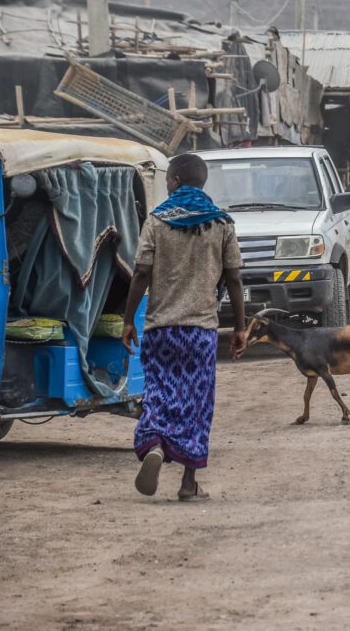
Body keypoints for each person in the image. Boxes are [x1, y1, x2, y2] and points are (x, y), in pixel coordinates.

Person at [122, 153, 246, 501]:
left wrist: (129, 319)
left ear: (174, 180)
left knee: (159, 394)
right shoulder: (221, 223)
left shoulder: (157, 221)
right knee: (197, 403)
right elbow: (234, 279)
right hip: (201, 332)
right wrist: (240, 327)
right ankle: (189, 483)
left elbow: (141, 273)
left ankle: (157, 446)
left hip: (161, 329)